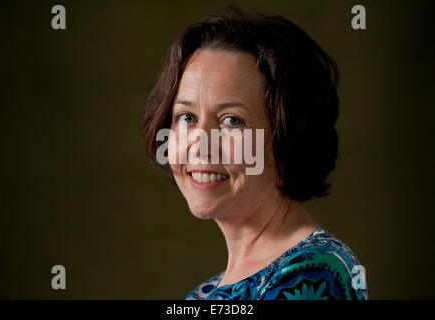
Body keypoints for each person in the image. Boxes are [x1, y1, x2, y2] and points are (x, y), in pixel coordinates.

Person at [142, 7, 369, 300]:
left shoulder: (312, 278)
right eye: (187, 117)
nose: (200, 145)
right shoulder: (208, 292)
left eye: (232, 121)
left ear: (287, 138)